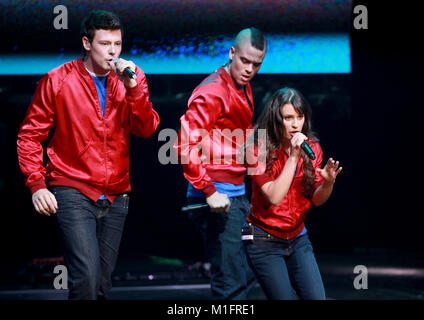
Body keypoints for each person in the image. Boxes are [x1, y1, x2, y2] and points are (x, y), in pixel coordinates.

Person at [17, 10, 160, 299]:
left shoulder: (131, 78)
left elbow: (146, 129)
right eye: (105, 43)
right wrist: (36, 184)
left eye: (117, 44)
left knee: (101, 286)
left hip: (117, 194)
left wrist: (133, 88)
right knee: (86, 280)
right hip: (73, 188)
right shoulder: (58, 80)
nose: (112, 51)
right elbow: (30, 135)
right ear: (86, 43)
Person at [174, 27, 267, 299]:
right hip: (214, 196)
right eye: (244, 61)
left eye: (256, 64)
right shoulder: (213, 91)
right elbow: (184, 145)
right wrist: (210, 191)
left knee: (252, 272)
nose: (249, 69)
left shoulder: (243, 85)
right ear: (231, 53)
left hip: (235, 195)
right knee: (231, 284)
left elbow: (243, 135)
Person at [243, 87, 342, 300]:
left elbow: (316, 199)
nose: (296, 124)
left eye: (300, 116)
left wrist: (328, 183)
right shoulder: (256, 147)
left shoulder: (312, 147)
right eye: (289, 118)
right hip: (263, 239)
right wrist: (293, 156)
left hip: (297, 237)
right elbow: (274, 196)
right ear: (276, 120)